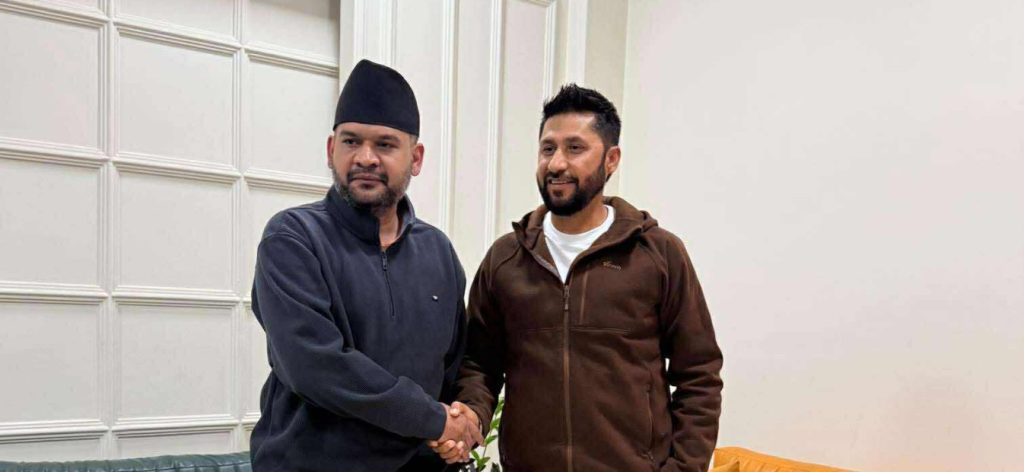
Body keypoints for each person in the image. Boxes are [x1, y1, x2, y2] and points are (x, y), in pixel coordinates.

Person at [435, 84, 724, 471]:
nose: (556, 164)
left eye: (575, 148)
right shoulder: (505, 260)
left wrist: (684, 467)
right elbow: (479, 366)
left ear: (611, 159)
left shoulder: (658, 255)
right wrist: (471, 418)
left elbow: (699, 376)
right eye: (548, 148)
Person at [249, 59, 482, 472]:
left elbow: (454, 363)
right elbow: (316, 367)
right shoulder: (292, 239)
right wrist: (435, 420)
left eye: (385, 145)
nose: (366, 158)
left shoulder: (438, 252)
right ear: (330, 150)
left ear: (416, 158)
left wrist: (463, 420)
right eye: (351, 141)